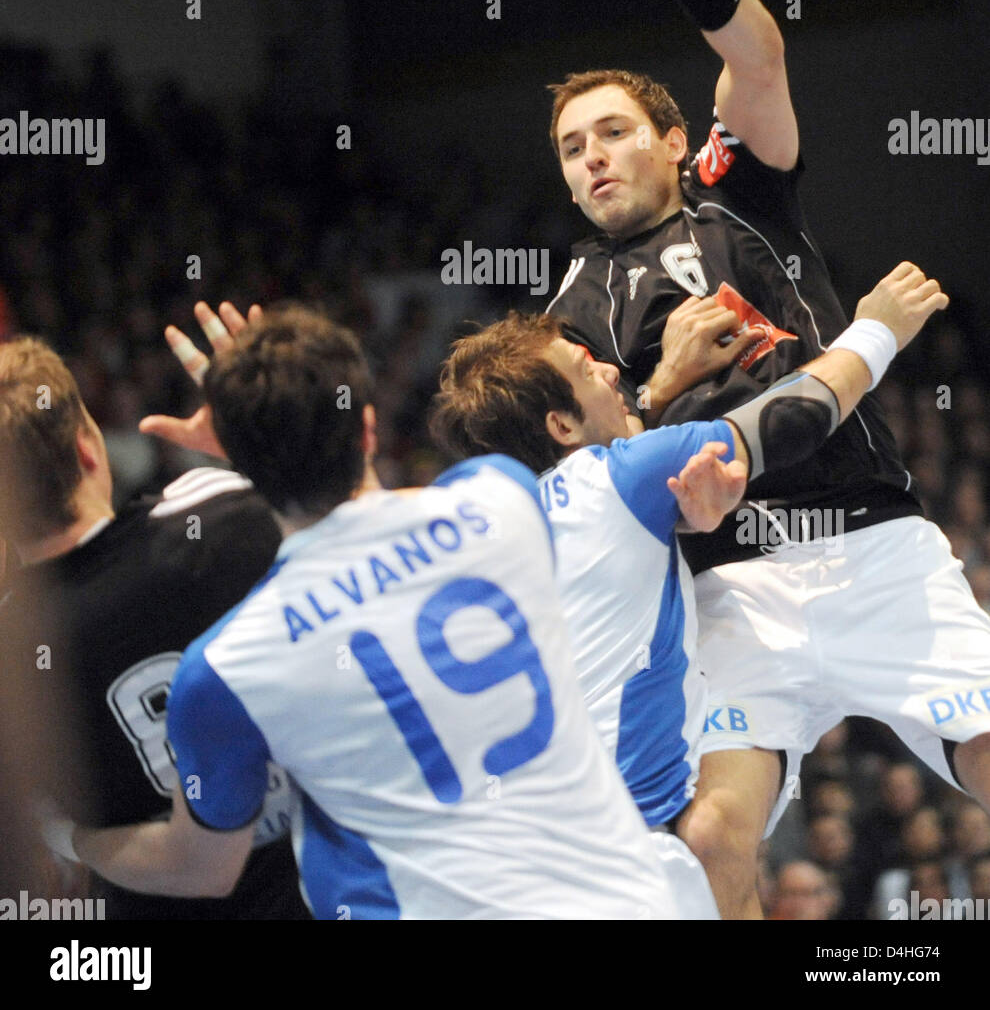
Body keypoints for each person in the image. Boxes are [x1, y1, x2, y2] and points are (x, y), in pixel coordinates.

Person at [542, 0, 990, 918]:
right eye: (570, 148)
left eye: (611, 132)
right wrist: (668, 378)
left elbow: (759, 51)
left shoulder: (737, 192)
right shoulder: (566, 312)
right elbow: (585, 474)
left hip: (876, 546)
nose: (592, 159)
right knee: (706, 843)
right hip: (730, 587)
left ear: (674, 139)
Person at [60, 306, 702, 920]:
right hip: (627, 894)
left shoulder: (225, 667)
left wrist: (72, 837)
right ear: (367, 427)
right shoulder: (499, 497)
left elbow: (197, 867)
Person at [429, 262, 941, 918]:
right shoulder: (621, 479)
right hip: (618, 870)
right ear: (560, 427)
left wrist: (662, 391)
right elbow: (793, 415)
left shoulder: (480, 530)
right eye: (589, 373)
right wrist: (877, 330)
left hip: (493, 870)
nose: (612, 371)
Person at [0, 323, 310, 919]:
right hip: (317, 893)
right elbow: (339, 513)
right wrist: (261, 435)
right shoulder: (227, 511)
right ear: (90, 447)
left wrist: (74, 838)